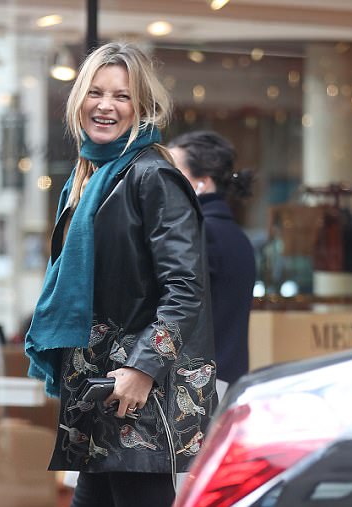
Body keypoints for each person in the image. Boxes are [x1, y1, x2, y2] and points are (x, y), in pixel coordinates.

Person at [25, 42, 217, 507]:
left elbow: (185, 289)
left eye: (121, 96)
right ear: (79, 101)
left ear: (141, 108)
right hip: (99, 390)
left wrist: (142, 368)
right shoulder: (88, 179)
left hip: (135, 394)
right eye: (95, 92)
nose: (105, 105)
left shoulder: (152, 177)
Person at [167, 131, 255, 385]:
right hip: (225, 379)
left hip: (198, 385)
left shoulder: (198, 233)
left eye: (173, 173)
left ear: (202, 183)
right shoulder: (234, 234)